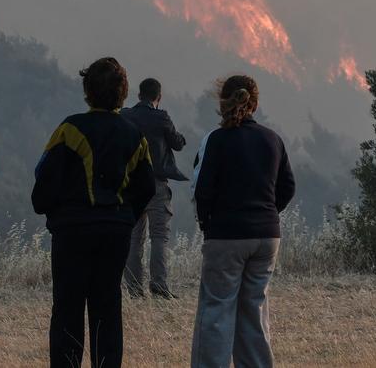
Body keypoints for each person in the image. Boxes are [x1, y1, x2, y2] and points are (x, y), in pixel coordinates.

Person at [32, 57, 156, 368]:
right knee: (107, 307)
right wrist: (126, 216)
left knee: (67, 309)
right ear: (123, 93)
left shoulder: (69, 129)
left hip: (71, 230)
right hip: (115, 230)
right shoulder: (134, 134)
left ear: (87, 91)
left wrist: (52, 214)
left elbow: (44, 180)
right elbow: (147, 187)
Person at [190, 75, 295, 368]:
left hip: (226, 235)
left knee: (216, 310)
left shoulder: (216, 139)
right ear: (255, 103)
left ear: (222, 103)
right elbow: (287, 187)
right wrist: (268, 213)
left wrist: (206, 223)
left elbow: (202, 190)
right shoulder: (273, 139)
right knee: (254, 311)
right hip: (266, 236)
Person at [121, 78, 187, 299]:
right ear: (158, 97)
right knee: (159, 237)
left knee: (133, 239)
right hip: (157, 184)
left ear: (139, 95)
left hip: (131, 185)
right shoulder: (161, 117)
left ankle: (134, 289)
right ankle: (158, 285)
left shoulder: (126, 116)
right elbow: (177, 143)